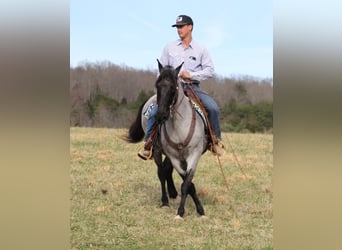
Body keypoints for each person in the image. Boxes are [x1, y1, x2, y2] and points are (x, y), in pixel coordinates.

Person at [138, 14, 224, 160]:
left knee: (213, 108)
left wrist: (191, 75)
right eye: (177, 27)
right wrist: (161, 86)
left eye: (181, 26)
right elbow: (160, 70)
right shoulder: (169, 47)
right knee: (152, 111)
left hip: (192, 87)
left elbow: (210, 70)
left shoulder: (201, 49)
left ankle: (214, 141)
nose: (179, 30)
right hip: (170, 89)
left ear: (190, 27)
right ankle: (148, 144)